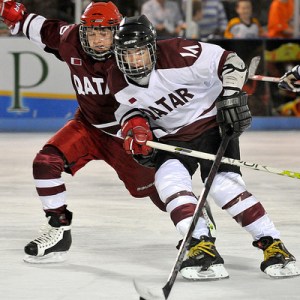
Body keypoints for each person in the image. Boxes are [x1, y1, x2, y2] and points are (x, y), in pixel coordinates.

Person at [107, 15, 300, 280]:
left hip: (213, 125)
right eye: (126, 54)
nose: (134, 60)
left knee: (222, 186)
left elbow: (231, 61)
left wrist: (231, 94)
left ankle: (273, 244)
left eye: (139, 52)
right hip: (171, 138)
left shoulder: (179, 52)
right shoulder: (116, 79)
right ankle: (201, 246)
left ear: (152, 47)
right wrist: (134, 127)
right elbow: (127, 111)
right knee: (169, 183)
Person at [0, 0, 167, 263]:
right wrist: (10, 12)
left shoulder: (133, 51)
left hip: (126, 135)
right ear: (82, 30)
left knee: (155, 190)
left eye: (104, 33)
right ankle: (58, 229)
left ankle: (197, 227)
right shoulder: (70, 38)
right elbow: (31, 24)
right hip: (87, 125)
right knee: (45, 163)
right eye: (91, 32)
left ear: (117, 31)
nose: (98, 40)